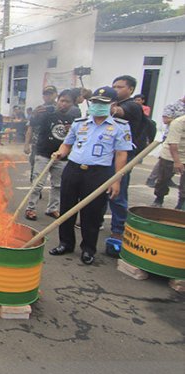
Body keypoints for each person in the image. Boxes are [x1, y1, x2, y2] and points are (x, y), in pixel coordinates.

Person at [49, 86, 132, 264]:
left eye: (102, 103)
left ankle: (88, 249)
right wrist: (59, 153)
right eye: (94, 102)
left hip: (99, 173)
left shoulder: (120, 127)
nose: (96, 106)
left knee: (92, 213)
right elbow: (67, 144)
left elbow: (121, 155)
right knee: (67, 209)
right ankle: (65, 243)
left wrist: (116, 180)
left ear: (113, 105)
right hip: (73, 169)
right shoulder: (80, 123)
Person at [24, 90, 76, 220]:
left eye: (67, 101)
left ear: (72, 104)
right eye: (62, 100)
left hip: (62, 157)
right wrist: (34, 115)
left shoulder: (73, 120)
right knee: (38, 184)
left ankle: (52, 208)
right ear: (58, 101)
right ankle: (30, 208)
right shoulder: (47, 115)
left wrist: (73, 130)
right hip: (43, 154)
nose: (64, 104)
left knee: (58, 185)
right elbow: (32, 124)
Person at [108, 75, 147, 242]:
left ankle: (118, 228)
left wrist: (97, 101)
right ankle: (99, 222)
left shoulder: (132, 106)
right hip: (109, 154)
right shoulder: (118, 103)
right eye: (114, 86)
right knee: (103, 190)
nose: (116, 89)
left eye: (119, 87)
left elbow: (118, 112)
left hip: (123, 156)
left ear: (130, 89)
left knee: (118, 191)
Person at [25, 85, 58, 182]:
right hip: (38, 145)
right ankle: (35, 193)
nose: (48, 96)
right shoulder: (38, 110)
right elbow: (30, 127)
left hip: (56, 145)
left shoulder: (61, 108)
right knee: (35, 172)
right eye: (46, 94)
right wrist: (27, 144)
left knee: (57, 174)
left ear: (56, 95)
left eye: (50, 94)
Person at [153, 113, 185, 210]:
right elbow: (173, 144)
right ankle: (159, 199)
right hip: (170, 154)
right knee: (163, 179)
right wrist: (177, 162)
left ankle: (181, 205)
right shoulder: (178, 123)